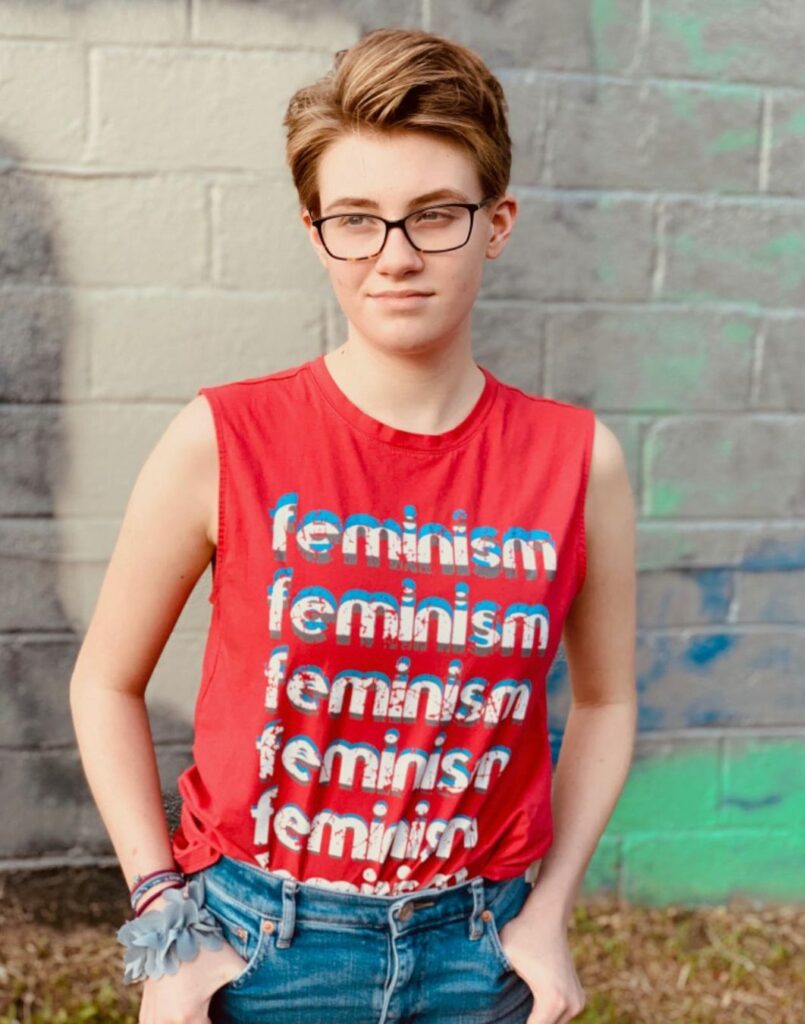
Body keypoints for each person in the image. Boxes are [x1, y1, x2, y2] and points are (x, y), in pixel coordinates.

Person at [69, 26, 637, 1024]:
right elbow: (104, 682)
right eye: (357, 220)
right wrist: (167, 923)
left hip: (478, 947)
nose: (395, 256)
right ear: (315, 231)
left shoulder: (578, 461)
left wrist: (548, 912)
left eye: (435, 216)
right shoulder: (223, 437)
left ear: (497, 222)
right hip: (259, 947)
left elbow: (606, 702)